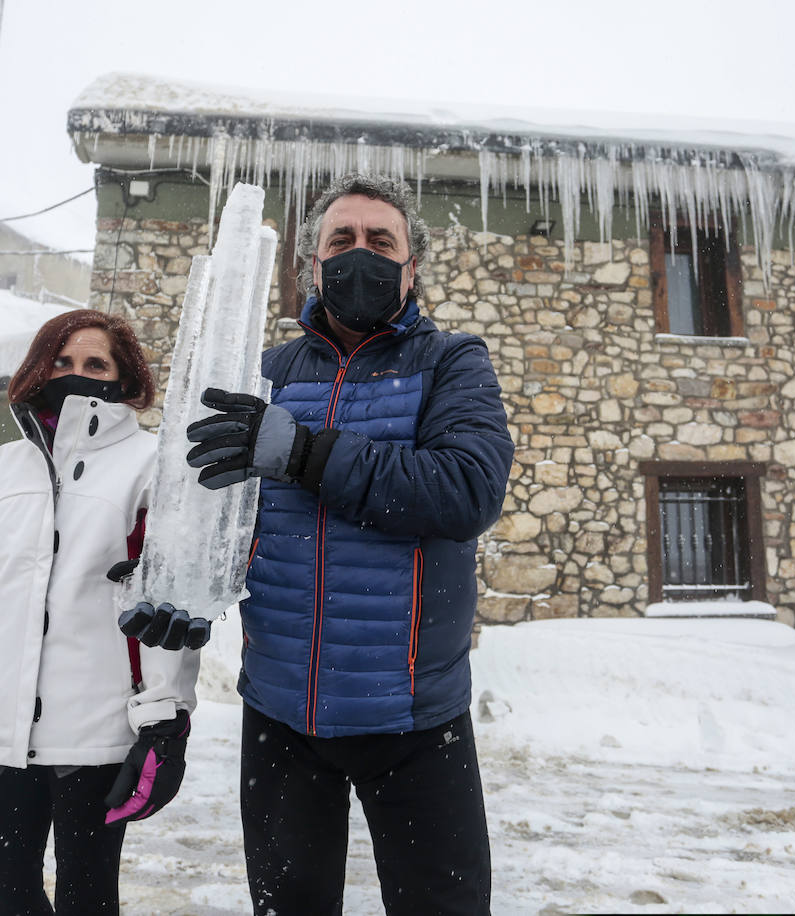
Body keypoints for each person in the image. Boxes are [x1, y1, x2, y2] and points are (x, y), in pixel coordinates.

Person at [129, 173, 514, 914]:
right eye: (342, 240)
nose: (358, 254)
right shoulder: (266, 374)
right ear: (311, 264)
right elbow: (223, 516)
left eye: (380, 242)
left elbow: (467, 491)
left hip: (413, 716)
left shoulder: (451, 363)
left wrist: (307, 453)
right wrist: (172, 577)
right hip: (280, 715)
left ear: (412, 267)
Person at [0, 309, 200, 915]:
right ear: (39, 367)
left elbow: (168, 607)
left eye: (95, 364)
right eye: (62, 361)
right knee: (1, 902)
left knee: (87, 901)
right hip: (1, 736)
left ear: (122, 377)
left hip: (95, 739)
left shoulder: (149, 465)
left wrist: (165, 720)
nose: (76, 374)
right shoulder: (5, 469)